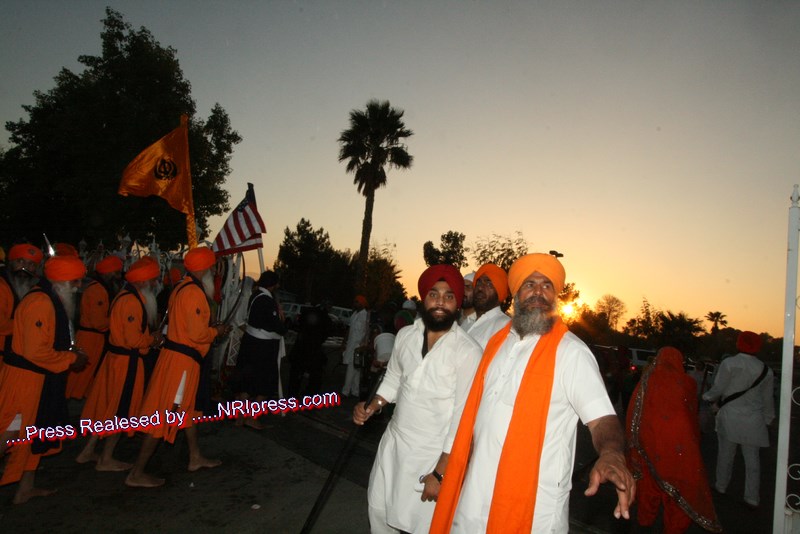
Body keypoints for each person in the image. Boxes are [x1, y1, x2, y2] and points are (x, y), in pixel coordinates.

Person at [431, 253, 635, 533]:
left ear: (556, 297)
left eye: (547, 285)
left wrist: (612, 453)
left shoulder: (571, 352)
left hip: (533, 511)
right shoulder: (496, 345)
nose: (538, 291)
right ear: (515, 295)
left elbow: (601, 419)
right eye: (529, 284)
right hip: (473, 499)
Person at [353, 265, 482, 534]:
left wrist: (439, 473)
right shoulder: (405, 336)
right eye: (434, 294)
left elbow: (462, 419)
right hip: (394, 444)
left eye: (449, 297)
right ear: (424, 298)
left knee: (420, 526)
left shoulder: (468, 351)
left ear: (458, 304)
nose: (440, 302)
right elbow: (393, 380)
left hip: (430, 456)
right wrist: (371, 406)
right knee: (379, 512)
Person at [125, 246, 231, 488]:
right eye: (213, 266)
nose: (215, 270)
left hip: (180, 361)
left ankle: (194, 456)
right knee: (164, 416)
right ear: (205, 268)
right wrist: (217, 331)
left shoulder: (182, 287)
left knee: (186, 410)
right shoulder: (192, 293)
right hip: (181, 365)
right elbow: (196, 333)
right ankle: (136, 473)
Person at [0, 255, 89, 503]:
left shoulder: (52, 299)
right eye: (75, 282)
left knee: (33, 432)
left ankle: (25, 489)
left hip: (41, 380)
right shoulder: (40, 302)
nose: (78, 287)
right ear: (61, 282)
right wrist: (70, 359)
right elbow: (34, 352)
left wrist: (70, 354)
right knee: (10, 433)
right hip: (24, 381)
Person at [76, 257, 163, 470]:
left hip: (117, 361)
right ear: (143, 281)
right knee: (120, 411)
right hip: (126, 364)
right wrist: (153, 340)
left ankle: (88, 451)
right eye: (153, 280)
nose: (155, 284)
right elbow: (133, 340)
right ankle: (106, 459)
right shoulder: (131, 301)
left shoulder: (126, 296)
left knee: (109, 407)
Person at [626, 347, 721, 533]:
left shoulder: (646, 381)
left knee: (648, 488)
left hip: (649, 445)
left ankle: (644, 522)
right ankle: (673, 529)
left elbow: (633, 413)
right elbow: (691, 416)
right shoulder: (687, 383)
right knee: (678, 492)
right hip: (677, 448)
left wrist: (635, 442)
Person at [702, 331, 774, 509]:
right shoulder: (766, 370)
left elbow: (718, 388)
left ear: (739, 343)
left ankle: (721, 487)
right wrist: (768, 419)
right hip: (754, 420)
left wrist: (706, 397)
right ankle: (752, 498)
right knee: (752, 461)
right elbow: (768, 399)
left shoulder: (730, 363)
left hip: (730, 417)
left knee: (726, 455)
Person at [65, 254, 124, 400]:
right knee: (78, 375)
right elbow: (98, 322)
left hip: (94, 337)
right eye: (117, 273)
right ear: (109, 272)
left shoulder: (99, 287)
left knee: (86, 375)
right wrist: (117, 320)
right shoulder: (98, 290)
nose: (119, 277)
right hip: (90, 338)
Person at [233, 270, 286, 429]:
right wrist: (284, 325)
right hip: (263, 347)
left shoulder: (254, 296)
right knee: (264, 383)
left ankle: (240, 416)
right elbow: (273, 324)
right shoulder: (266, 301)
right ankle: (251, 417)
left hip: (251, 342)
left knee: (248, 380)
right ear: (273, 284)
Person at [0, 243, 44, 364]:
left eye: (31, 264)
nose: (25, 267)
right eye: (20, 261)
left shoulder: (33, 288)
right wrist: (29, 325)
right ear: (11, 263)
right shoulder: (2, 286)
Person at [288, 303, 332, 397]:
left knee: (297, 373)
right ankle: (309, 394)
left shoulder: (308, 313)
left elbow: (299, 325)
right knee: (315, 375)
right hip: (312, 349)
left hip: (302, 347)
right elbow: (327, 332)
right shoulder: (325, 318)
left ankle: (293, 394)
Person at [462, 263, 510, 348]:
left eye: (489, 284)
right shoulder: (466, 322)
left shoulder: (505, 325)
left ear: (499, 292)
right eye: (479, 283)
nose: (480, 288)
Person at [342, 295, 369, 398]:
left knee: (351, 367)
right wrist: (344, 342)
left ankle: (345, 391)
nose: (355, 304)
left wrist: (363, 345)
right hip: (350, 344)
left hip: (358, 345)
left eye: (357, 302)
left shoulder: (365, 315)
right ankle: (355, 391)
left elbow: (366, 332)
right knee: (355, 369)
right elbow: (350, 329)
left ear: (362, 303)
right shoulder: (354, 314)